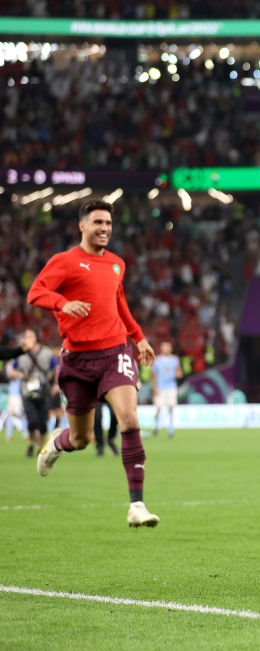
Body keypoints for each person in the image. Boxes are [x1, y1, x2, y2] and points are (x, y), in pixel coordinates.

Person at [27, 199, 159, 527]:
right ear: (82, 226)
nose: (104, 229)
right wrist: (62, 303)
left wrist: (138, 336)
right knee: (81, 440)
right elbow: (35, 292)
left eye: (109, 224)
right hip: (76, 361)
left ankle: (137, 505)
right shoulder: (66, 261)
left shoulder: (116, 264)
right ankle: (55, 445)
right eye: (98, 222)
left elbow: (119, 303)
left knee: (129, 419)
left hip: (115, 352)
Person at [5, 329, 57, 458]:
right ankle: (30, 443)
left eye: (30, 336)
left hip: (43, 391)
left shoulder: (47, 353)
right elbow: (11, 371)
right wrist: (19, 374)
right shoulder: (21, 354)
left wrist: (56, 384)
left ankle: (41, 447)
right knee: (32, 421)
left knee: (43, 424)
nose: (27, 339)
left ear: (36, 338)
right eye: (25, 336)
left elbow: (56, 368)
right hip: (27, 392)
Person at [151, 341, 182, 438]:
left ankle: (171, 427)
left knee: (171, 407)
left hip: (171, 386)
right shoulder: (157, 360)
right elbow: (153, 375)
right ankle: (156, 425)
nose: (166, 349)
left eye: (168, 347)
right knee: (158, 407)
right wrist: (155, 388)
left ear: (170, 349)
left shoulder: (175, 359)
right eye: (164, 347)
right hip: (160, 387)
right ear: (161, 349)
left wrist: (178, 374)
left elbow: (179, 372)